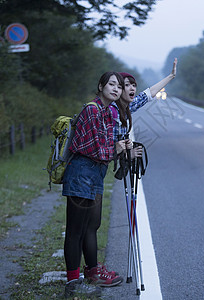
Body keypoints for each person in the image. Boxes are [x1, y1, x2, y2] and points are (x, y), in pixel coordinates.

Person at [62, 71, 130, 299]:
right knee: (75, 230)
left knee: (92, 225)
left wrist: (123, 146)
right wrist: (117, 148)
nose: (116, 89)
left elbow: (107, 146)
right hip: (81, 173)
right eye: (111, 84)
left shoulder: (108, 112)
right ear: (101, 86)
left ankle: (92, 271)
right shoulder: (92, 110)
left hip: (95, 175)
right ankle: (72, 282)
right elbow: (96, 149)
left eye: (119, 86)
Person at [110, 58, 177, 141]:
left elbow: (149, 93)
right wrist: (118, 149)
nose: (132, 88)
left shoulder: (126, 107)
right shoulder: (111, 111)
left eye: (134, 85)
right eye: (127, 85)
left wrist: (171, 76)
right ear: (119, 89)